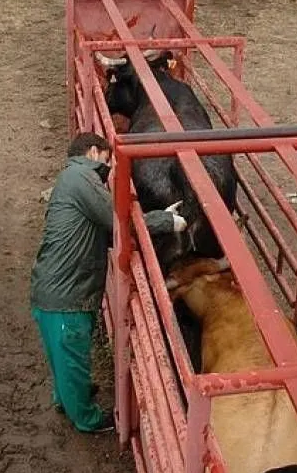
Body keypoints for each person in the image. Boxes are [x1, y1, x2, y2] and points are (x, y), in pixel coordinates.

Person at [29, 132, 187, 434]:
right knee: (71, 354)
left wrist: (157, 216)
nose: (107, 167)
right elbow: (116, 219)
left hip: (53, 287)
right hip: (67, 295)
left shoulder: (70, 179)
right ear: (92, 151)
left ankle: (65, 397)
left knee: (61, 354)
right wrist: (165, 223)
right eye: (106, 159)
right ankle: (86, 419)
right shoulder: (82, 177)